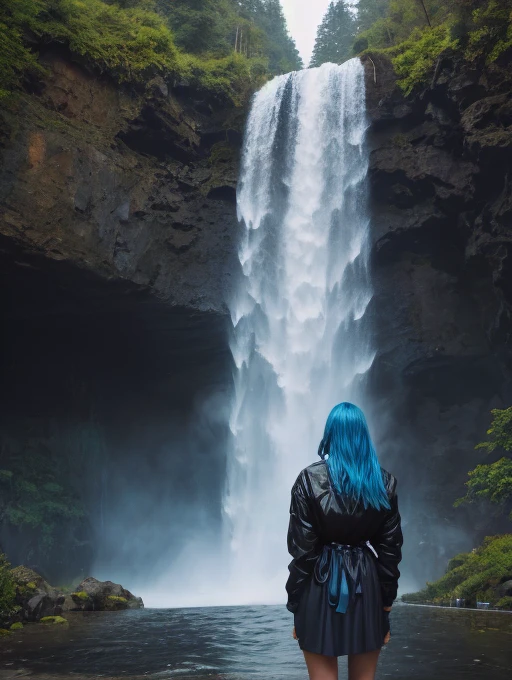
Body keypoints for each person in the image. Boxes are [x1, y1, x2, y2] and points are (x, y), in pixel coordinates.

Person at [286, 402, 403, 680]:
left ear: (330, 435)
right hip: (367, 587)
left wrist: (296, 604)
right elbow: (390, 550)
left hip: (320, 585)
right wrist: (386, 603)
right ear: (363, 435)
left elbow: (303, 551)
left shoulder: (308, 479)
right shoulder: (384, 482)